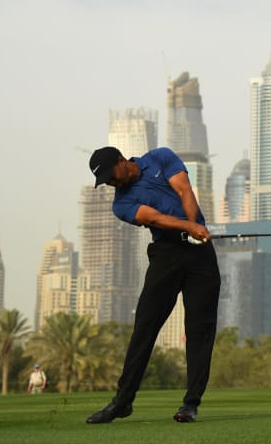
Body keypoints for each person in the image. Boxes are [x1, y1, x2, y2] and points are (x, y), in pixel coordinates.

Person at [84, 146, 220, 424]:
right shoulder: (120, 205)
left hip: (200, 255)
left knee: (199, 329)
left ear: (122, 160)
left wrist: (194, 227)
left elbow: (184, 191)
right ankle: (122, 402)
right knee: (144, 327)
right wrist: (188, 228)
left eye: (111, 175)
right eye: (106, 181)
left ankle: (190, 404)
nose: (111, 182)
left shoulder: (160, 157)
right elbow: (154, 218)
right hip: (166, 254)